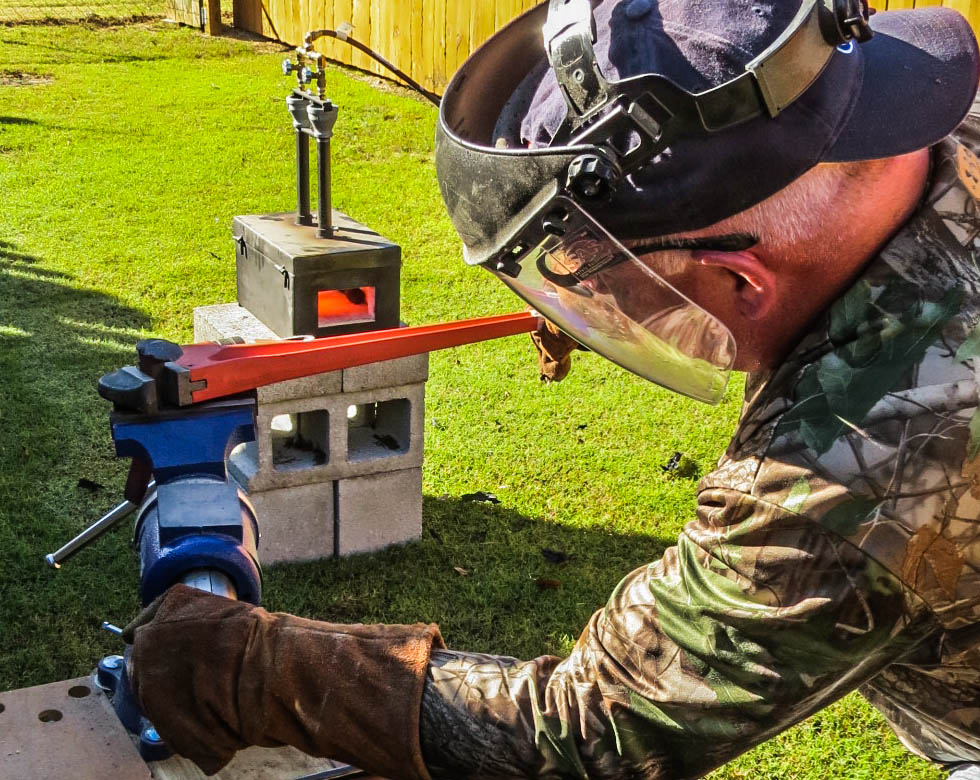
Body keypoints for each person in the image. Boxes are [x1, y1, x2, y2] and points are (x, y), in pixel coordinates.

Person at [123, 0, 980, 778]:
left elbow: (591, 726)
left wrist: (253, 670)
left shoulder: (859, 456)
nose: (600, 307)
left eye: (601, 283)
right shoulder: (937, 125)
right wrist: (631, 303)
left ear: (739, 281)